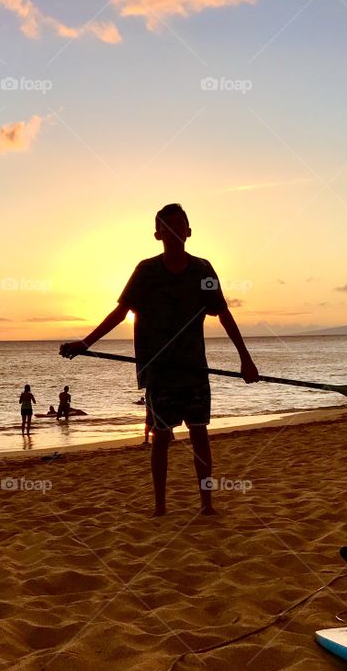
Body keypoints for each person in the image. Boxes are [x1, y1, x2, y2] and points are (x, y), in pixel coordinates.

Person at [61, 202, 258, 515]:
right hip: (159, 371)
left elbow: (223, 314)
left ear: (189, 231)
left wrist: (246, 360)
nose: (173, 231)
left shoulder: (203, 270)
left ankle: (206, 505)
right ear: (157, 234)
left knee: (199, 433)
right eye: (166, 227)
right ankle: (160, 506)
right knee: (161, 436)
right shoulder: (146, 271)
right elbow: (121, 312)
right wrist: (85, 342)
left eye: (179, 225)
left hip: (194, 368)